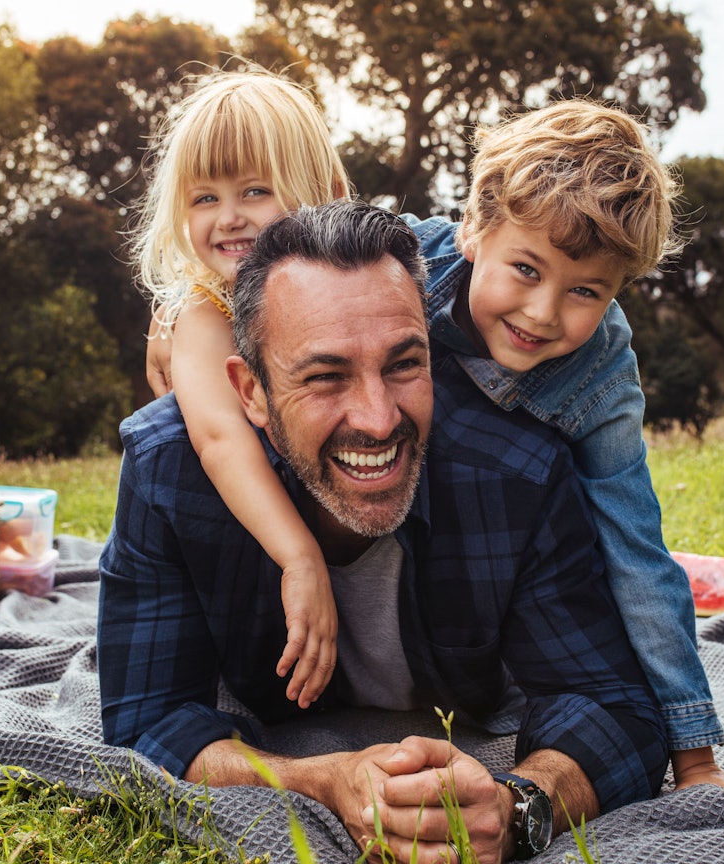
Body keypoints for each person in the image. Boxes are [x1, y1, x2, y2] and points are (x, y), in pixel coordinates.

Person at [145, 96, 724, 789]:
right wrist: (177, 317)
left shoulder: (602, 378)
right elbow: (299, 264)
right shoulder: (403, 261)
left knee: (620, 555)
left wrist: (694, 757)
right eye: (526, 270)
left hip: (494, 552)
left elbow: (637, 553)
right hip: (362, 518)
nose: (542, 312)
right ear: (472, 230)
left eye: (585, 291)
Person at [99, 200, 669, 864]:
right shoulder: (169, 470)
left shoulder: (515, 472)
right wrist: (320, 780)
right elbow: (148, 723)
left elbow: (619, 712)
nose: (377, 419)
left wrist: (515, 807)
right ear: (250, 391)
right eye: (325, 377)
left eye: (403, 365)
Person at [129, 67, 351, 708]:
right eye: (204, 198)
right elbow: (219, 438)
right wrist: (299, 558)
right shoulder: (205, 311)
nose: (228, 218)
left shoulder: (355, 280)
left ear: (327, 194)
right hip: (251, 548)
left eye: (255, 190)